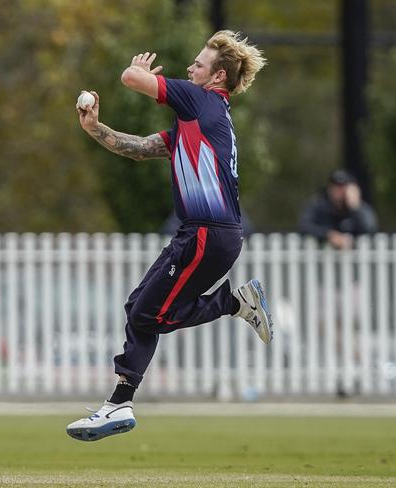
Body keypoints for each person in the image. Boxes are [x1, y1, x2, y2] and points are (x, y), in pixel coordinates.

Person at [66, 31, 271, 442]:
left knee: (148, 315)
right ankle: (118, 404)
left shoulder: (203, 101)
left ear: (217, 77)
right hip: (200, 234)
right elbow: (139, 148)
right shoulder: (197, 121)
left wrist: (137, 70)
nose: (190, 68)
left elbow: (130, 79)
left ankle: (233, 302)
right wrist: (95, 128)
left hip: (208, 235)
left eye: (199, 63)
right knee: (139, 307)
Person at [299, 169, 378, 249]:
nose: (339, 191)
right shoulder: (318, 205)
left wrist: (355, 207)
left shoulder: (358, 208)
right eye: (336, 186)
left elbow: (370, 229)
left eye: (342, 187)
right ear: (329, 188)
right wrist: (328, 234)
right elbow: (304, 225)